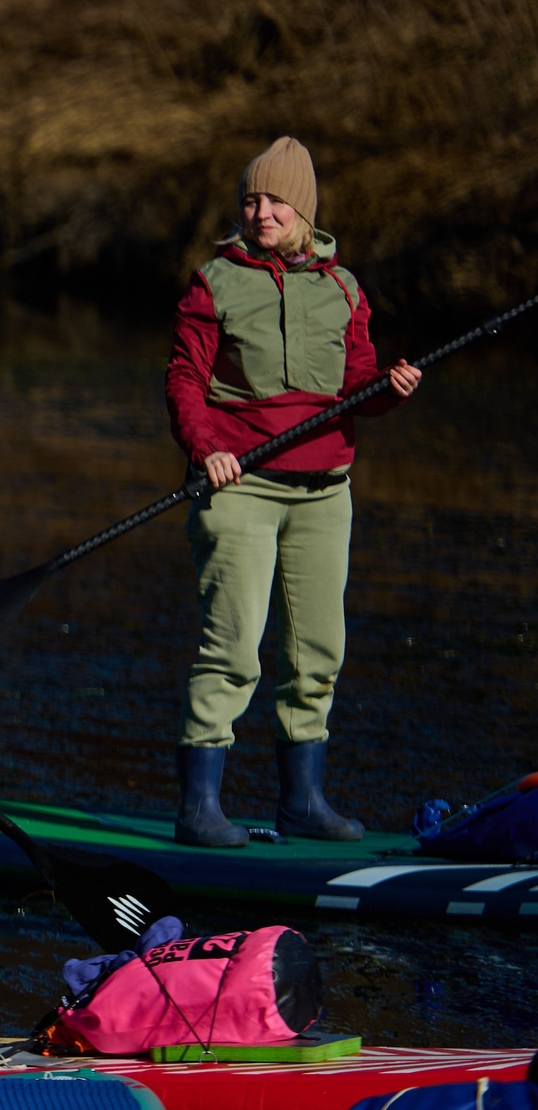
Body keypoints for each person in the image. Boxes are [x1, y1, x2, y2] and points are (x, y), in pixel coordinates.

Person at [165, 138, 418, 848]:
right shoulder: (213, 281)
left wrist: (387, 393)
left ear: (302, 209)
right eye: (251, 199)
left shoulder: (343, 287)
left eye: (275, 200)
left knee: (318, 652)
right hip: (239, 485)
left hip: (325, 491)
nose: (261, 210)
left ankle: (303, 802)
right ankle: (199, 807)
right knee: (235, 650)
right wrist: (207, 448)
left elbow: (357, 388)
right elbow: (185, 380)